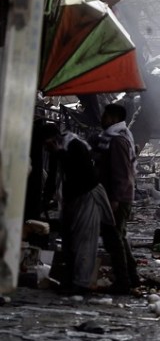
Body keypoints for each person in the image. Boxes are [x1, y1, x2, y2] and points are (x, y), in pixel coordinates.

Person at [40, 123, 115, 295]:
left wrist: (59, 154)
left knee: (85, 241)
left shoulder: (74, 145)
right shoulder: (56, 150)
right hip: (72, 199)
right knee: (68, 241)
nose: (45, 148)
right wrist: (46, 197)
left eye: (46, 144)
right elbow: (52, 176)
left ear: (53, 139)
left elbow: (82, 172)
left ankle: (81, 283)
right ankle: (70, 279)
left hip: (87, 196)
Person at [92, 103, 141, 293]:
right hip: (118, 196)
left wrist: (115, 199)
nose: (102, 119)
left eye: (105, 115)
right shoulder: (115, 138)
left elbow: (121, 173)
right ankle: (132, 277)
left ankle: (123, 281)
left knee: (113, 239)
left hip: (117, 197)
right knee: (118, 237)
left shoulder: (117, 141)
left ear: (113, 118)